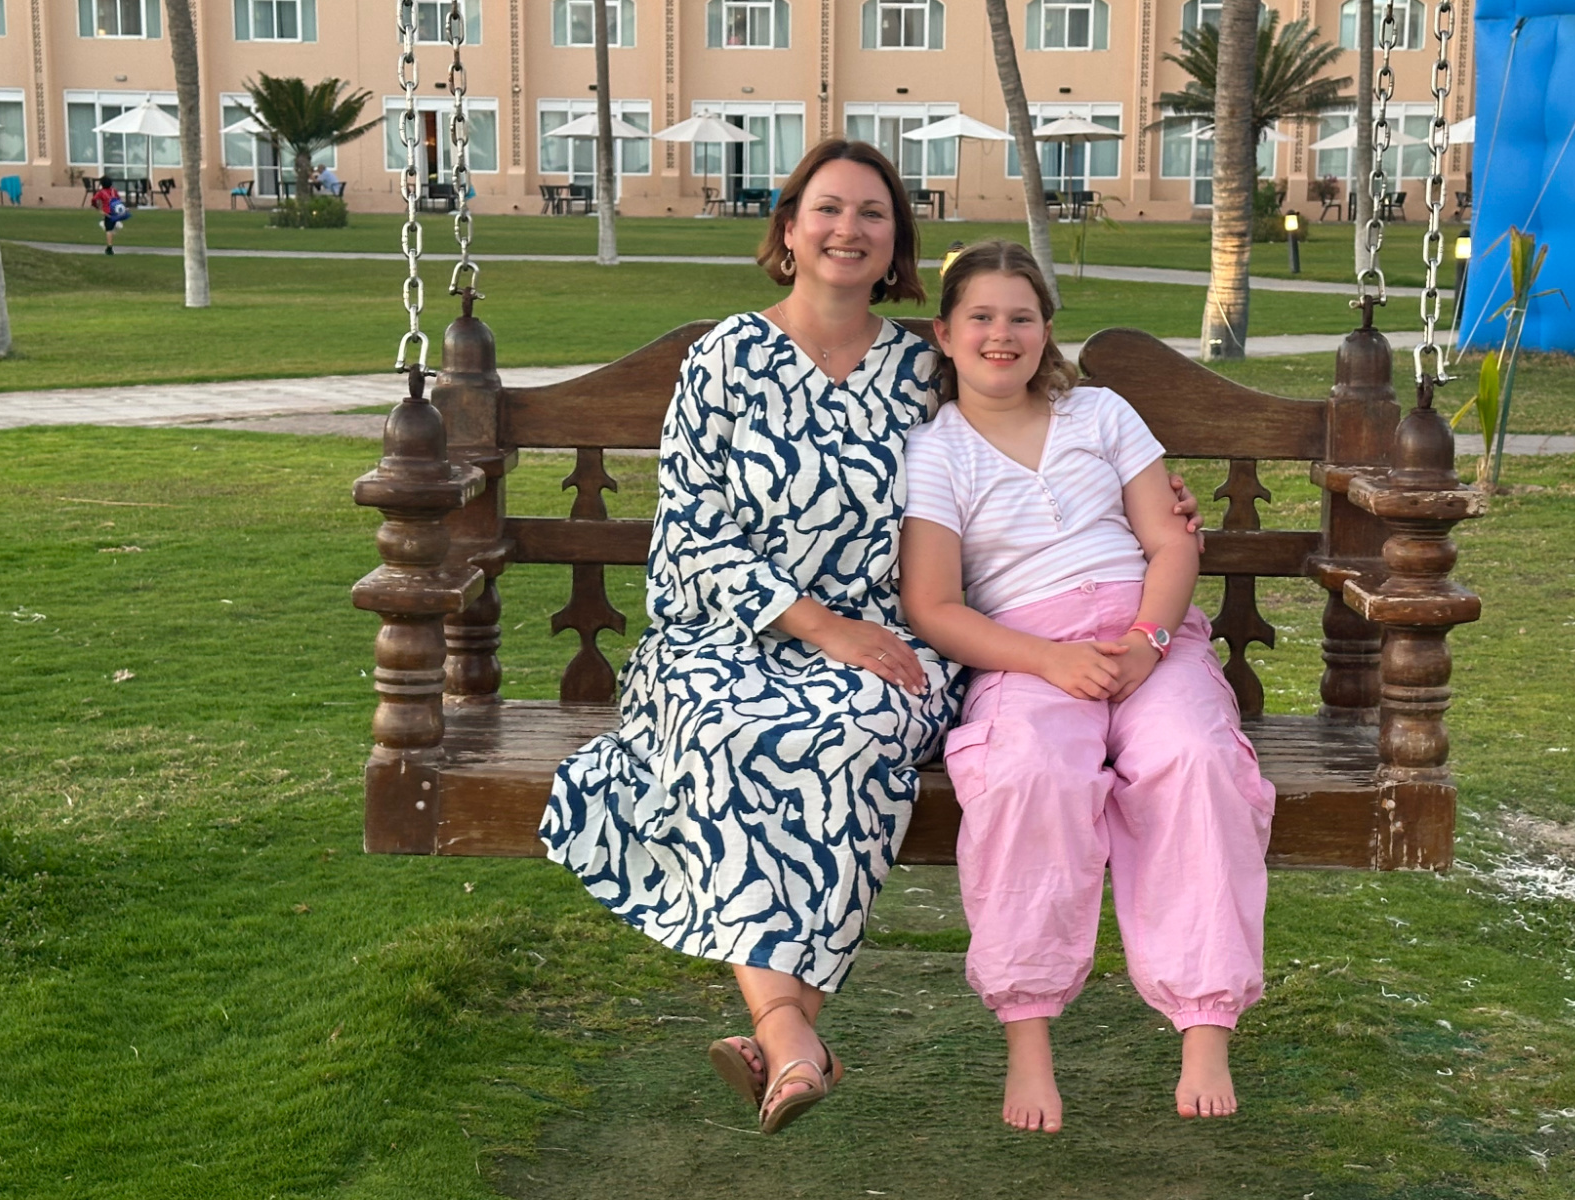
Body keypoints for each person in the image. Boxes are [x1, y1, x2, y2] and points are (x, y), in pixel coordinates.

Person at [539, 141, 1203, 1136]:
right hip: (734, 630)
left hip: (893, 635)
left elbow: (1022, 441)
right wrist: (813, 624)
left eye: (873, 214)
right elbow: (688, 533)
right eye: (828, 209)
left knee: (858, 723)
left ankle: (783, 1035)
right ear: (790, 228)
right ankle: (790, 1030)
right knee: (730, 724)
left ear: (896, 244)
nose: (849, 229)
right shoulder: (724, 360)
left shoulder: (921, 368)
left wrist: (1137, 499)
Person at [899, 240, 1274, 1134]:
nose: (1002, 334)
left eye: (1020, 317)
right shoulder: (936, 451)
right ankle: (1029, 1037)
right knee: (1029, 774)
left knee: (1194, 759)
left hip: (1147, 632)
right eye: (981, 318)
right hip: (1026, 650)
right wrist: (1046, 661)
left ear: (1046, 332)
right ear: (945, 335)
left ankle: (1205, 1018)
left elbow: (1172, 542)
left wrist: (1148, 642)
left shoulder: (1100, 413)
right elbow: (934, 604)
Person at [91, 178, 128, 255]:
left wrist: (97, 207)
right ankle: (115, 226)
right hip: (116, 211)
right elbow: (118, 199)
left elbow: (94, 199)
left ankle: (109, 248)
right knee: (112, 227)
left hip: (107, 212)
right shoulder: (114, 191)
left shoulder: (101, 192)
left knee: (108, 230)